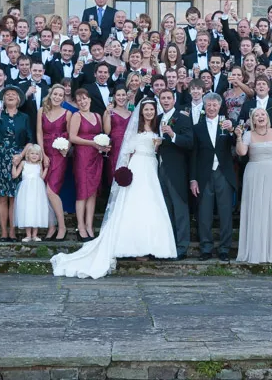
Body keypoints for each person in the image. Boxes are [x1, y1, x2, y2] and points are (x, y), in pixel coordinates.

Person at [51, 98, 177, 279]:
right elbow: (127, 152)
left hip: (152, 168)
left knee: (151, 206)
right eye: (146, 109)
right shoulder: (135, 129)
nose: (149, 112)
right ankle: (134, 247)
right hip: (138, 167)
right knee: (134, 206)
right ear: (141, 112)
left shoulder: (158, 129)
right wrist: (124, 173)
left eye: (151, 109)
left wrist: (157, 147)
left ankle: (152, 246)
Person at [234, 108, 272, 263]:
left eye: (263, 114)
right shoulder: (248, 134)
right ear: (253, 120)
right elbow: (242, 152)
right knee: (257, 209)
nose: (260, 117)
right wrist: (239, 137)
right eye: (257, 115)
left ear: (267, 117)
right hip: (254, 174)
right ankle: (256, 250)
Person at [190, 93, 237, 261]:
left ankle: (224, 249)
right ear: (204, 106)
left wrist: (232, 130)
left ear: (219, 106)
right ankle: (206, 248)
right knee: (204, 213)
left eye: (214, 105)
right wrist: (193, 179)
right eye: (208, 105)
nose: (211, 108)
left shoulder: (228, 124)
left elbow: (237, 144)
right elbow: (193, 155)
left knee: (225, 213)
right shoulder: (197, 127)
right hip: (204, 175)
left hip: (223, 173)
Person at [0, 86, 32, 242]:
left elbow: (30, 141)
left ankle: (12, 232)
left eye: (13, 94)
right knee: (2, 197)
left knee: (14, 197)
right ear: (3, 100)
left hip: (16, 160)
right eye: (7, 95)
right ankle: (4, 232)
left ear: (19, 99)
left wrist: (21, 156)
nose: (10, 96)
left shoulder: (24, 117)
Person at [155, 89, 194, 260]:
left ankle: (182, 247)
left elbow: (190, 142)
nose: (165, 101)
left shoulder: (183, 118)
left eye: (168, 98)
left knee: (180, 209)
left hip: (176, 170)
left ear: (174, 100)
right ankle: (168, 246)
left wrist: (173, 134)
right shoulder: (157, 118)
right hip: (159, 169)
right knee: (165, 210)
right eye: (163, 98)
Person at [70, 88, 109, 241]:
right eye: (79, 100)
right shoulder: (76, 116)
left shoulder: (97, 116)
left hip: (96, 157)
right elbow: (73, 137)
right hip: (82, 156)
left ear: (90, 99)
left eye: (84, 98)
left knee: (92, 192)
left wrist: (103, 146)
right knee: (82, 191)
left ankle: (89, 225)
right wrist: (92, 143)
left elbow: (101, 135)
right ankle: (80, 226)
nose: (82, 102)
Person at [37, 84, 72, 241]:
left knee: (51, 191)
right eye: (55, 94)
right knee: (45, 192)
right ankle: (51, 227)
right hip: (44, 153)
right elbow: (39, 132)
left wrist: (66, 149)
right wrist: (42, 154)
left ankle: (62, 226)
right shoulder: (41, 111)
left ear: (63, 98)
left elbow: (70, 135)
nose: (57, 97)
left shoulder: (68, 113)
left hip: (59, 155)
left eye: (60, 95)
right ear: (50, 95)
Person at [13, 144, 52, 242]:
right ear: (27, 154)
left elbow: (42, 177)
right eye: (32, 153)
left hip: (37, 191)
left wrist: (46, 168)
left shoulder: (39, 165)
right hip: (26, 191)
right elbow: (15, 175)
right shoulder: (23, 163)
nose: (34, 155)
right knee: (27, 210)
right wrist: (14, 165)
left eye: (37, 154)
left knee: (36, 210)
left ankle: (35, 235)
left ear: (40, 156)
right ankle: (28, 235)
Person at [104, 87, 133, 186]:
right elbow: (107, 131)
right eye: (118, 95)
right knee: (115, 175)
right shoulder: (109, 112)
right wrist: (108, 114)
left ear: (127, 96)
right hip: (115, 148)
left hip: (129, 147)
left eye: (123, 95)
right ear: (114, 97)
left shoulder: (130, 112)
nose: (121, 98)